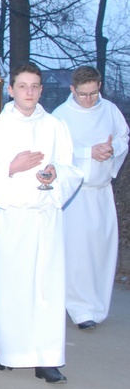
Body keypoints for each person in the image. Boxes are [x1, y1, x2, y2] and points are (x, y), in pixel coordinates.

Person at [0, 62, 83, 384]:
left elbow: (72, 169)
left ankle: (46, 357)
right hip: (11, 217)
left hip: (44, 218)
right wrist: (12, 167)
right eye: (23, 86)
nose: (29, 92)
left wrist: (56, 173)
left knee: (44, 289)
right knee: (11, 288)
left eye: (35, 86)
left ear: (42, 89)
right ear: (11, 89)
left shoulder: (56, 126)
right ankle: (9, 351)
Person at [52, 66, 129, 330]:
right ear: (72, 90)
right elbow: (55, 152)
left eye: (94, 93)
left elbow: (123, 137)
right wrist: (88, 152)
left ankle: (98, 306)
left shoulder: (109, 109)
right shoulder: (61, 116)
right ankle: (79, 308)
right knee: (77, 252)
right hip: (75, 196)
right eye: (83, 94)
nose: (89, 100)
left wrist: (112, 149)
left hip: (102, 190)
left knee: (102, 250)